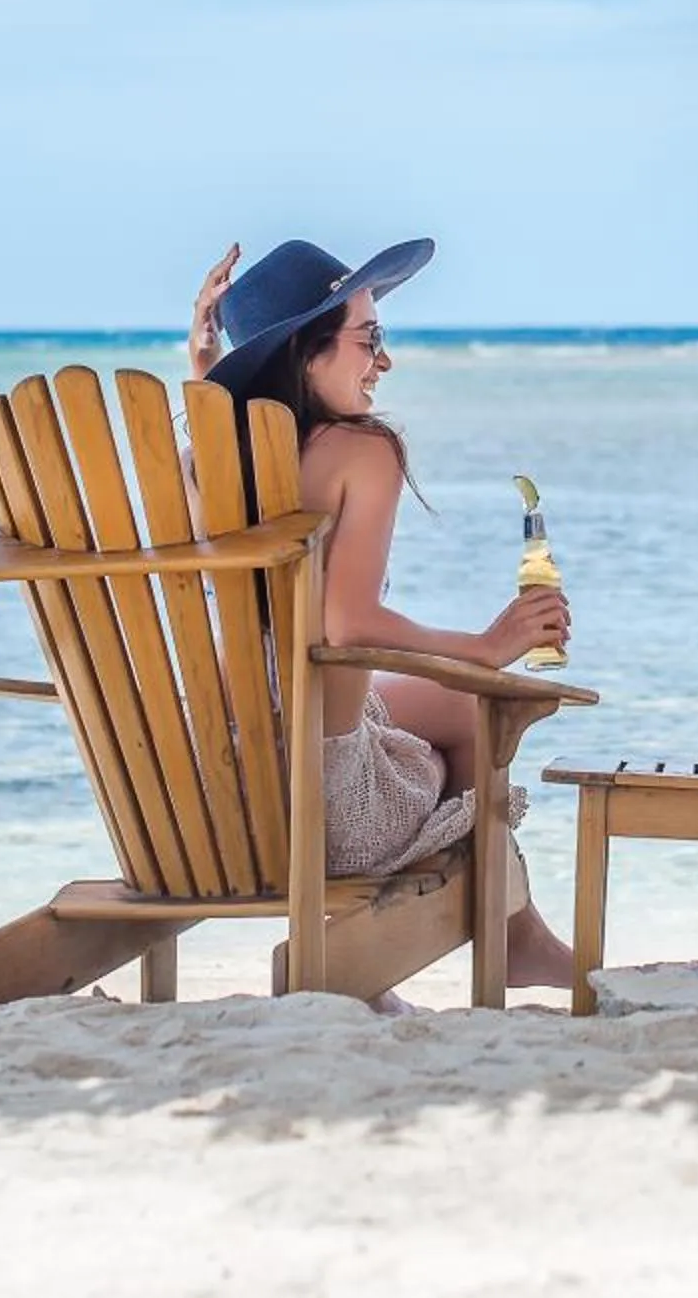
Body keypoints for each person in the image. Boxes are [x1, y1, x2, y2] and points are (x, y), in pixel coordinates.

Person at [188, 236, 581, 993]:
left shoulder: (209, 462)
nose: (383, 362)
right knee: (485, 705)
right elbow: (348, 626)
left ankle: (515, 935)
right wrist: (489, 643)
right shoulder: (363, 453)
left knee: (462, 704)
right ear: (305, 354)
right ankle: (456, 944)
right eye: (369, 340)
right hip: (325, 810)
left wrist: (205, 365)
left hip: (219, 791)